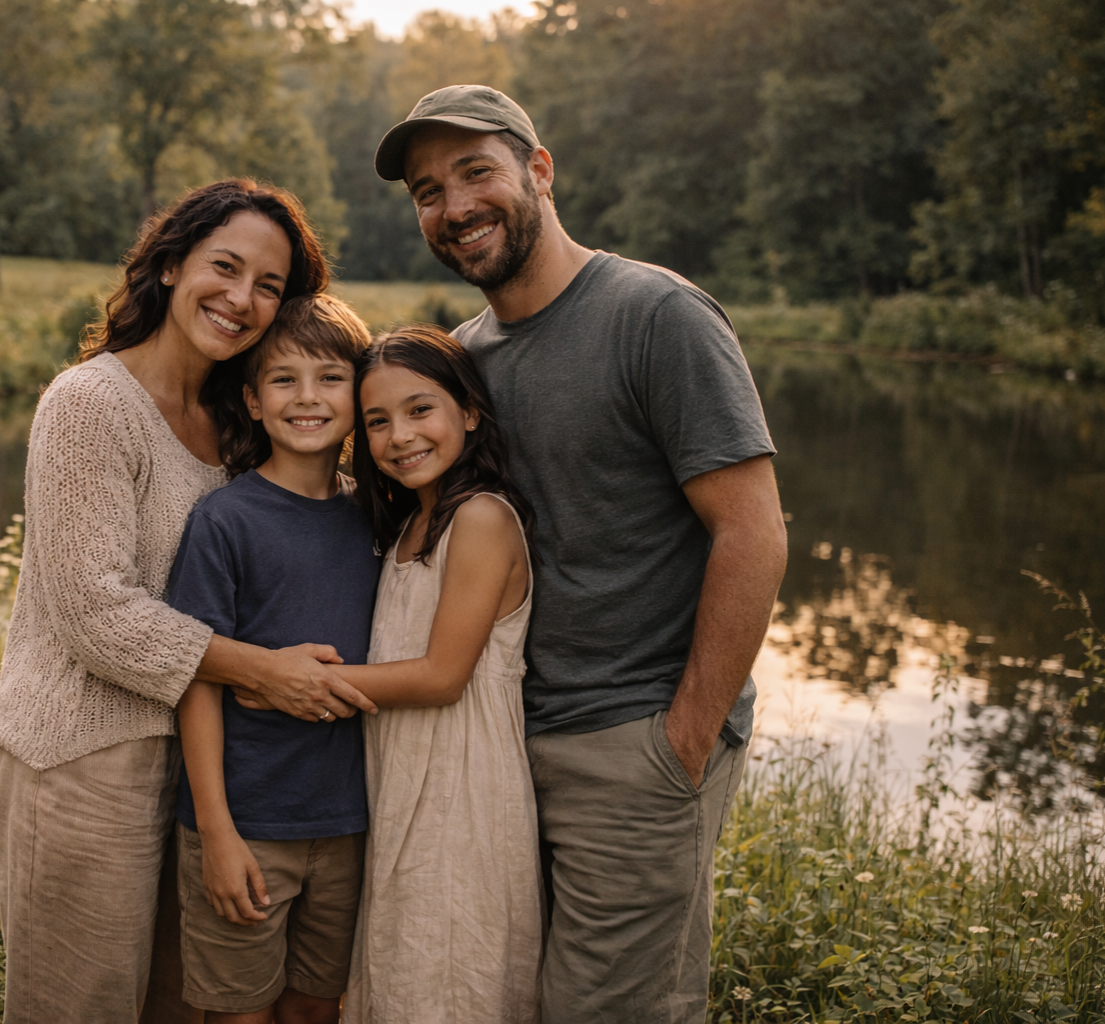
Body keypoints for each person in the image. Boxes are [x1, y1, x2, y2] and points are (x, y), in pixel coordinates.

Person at [373, 87, 789, 1023]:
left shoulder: (656, 315)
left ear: (540, 170)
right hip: (504, 746)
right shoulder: (465, 362)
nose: (456, 206)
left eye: (477, 172)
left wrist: (683, 740)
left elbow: (753, 531)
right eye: (429, 191)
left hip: (630, 741)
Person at [0, 180, 376, 1024]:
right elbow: (95, 613)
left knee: (179, 1007)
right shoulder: (92, 405)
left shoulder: (236, 419)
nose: (241, 299)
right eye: (224, 268)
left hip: (210, 777)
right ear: (170, 264)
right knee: (81, 1005)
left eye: (268, 286)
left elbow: (301, 516)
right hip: (87, 762)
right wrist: (263, 673)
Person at [167, 294, 378, 1024]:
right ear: (253, 401)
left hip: (350, 824)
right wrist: (217, 834)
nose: (309, 398)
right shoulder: (223, 521)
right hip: (247, 824)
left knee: (318, 1007)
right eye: (284, 380)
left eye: (330, 377)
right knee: (239, 1012)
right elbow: (195, 676)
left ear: (360, 393)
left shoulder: (378, 520)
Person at [335, 326, 543, 1024]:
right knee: (403, 969)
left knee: (451, 974)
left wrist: (300, 682)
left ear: (470, 412)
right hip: (402, 787)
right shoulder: (404, 529)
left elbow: (442, 676)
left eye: (421, 409)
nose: (400, 436)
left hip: (462, 793)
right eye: (377, 421)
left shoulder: (481, 518)